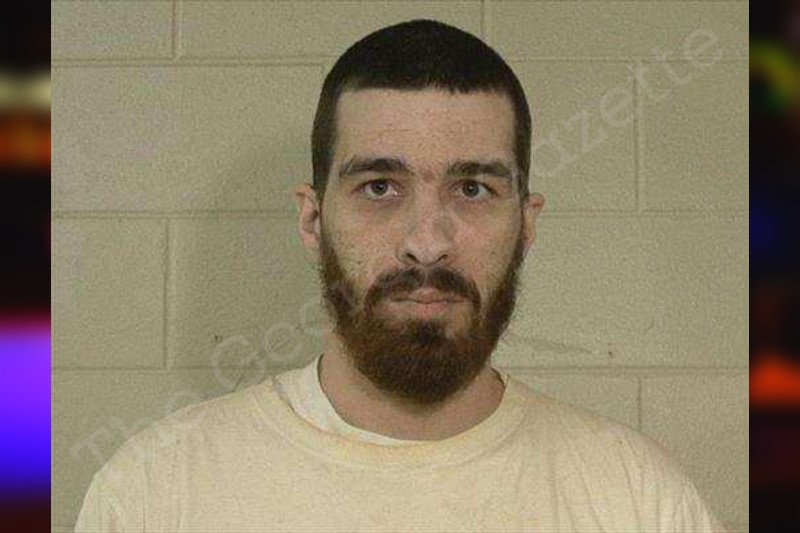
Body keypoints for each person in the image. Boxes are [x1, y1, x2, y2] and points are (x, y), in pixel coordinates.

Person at [75, 19, 724, 532]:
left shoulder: (640, 501)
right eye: (380, 186)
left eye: (473, 188)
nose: (427, 243)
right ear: (313, 219)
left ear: (526, 223)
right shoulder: (157, 491)